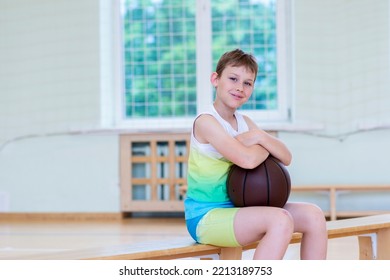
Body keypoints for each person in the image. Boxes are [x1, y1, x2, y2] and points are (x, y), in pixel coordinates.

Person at [184, 49, 327, 260]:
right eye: (233, 79)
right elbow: (247, 160)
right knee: (280, 219)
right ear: (216, 79)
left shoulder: (245, 123)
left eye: (247, 83)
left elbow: (286, 157)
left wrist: (259, 136)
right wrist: (262, 145)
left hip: (240, 209)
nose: (239, 88)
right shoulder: (206, 121)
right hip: (206, 217)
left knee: (314, 215)